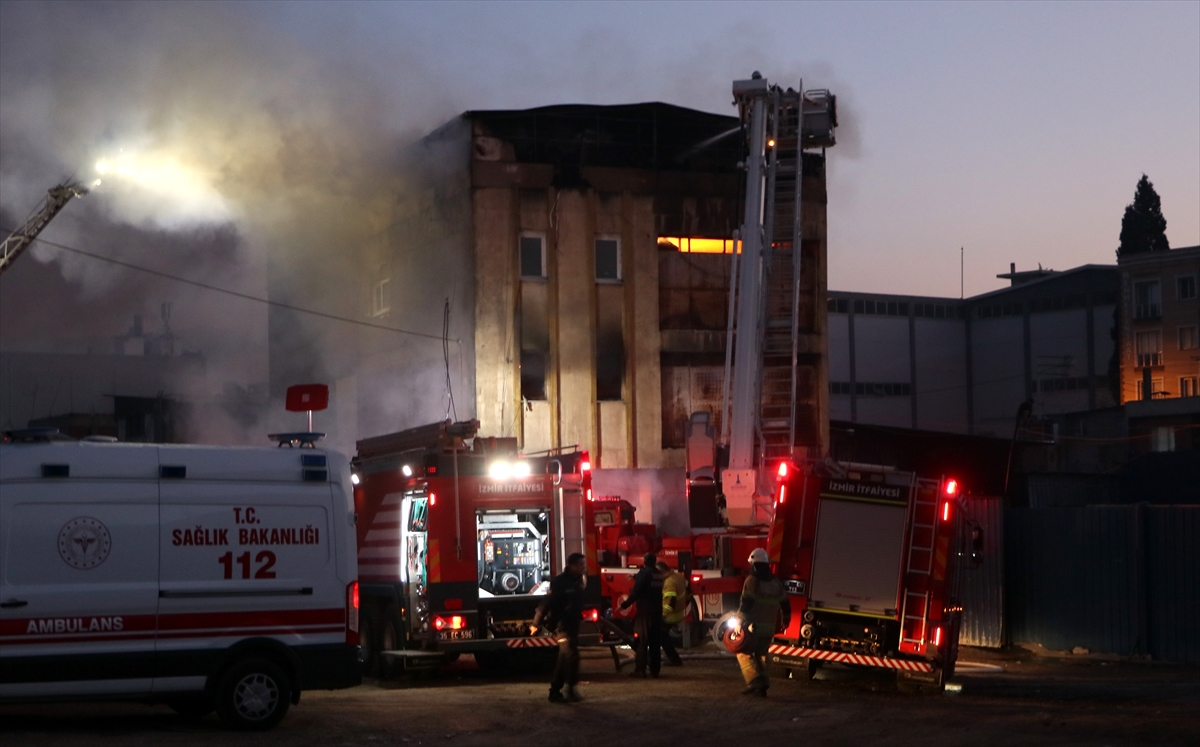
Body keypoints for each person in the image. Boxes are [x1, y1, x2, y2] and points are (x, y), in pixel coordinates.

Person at [533, 552, 586, 703]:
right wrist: (536, 623)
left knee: (564, 658)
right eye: (581, 564)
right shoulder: (560, 582)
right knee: (571, 655)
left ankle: (556, 691)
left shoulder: (578, 581)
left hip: (573, 625)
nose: (584, 567)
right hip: (562, 625)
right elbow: (547, 602)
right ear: (572, 565)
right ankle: (569, 689)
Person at [736, 548, 786, 697]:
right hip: (768, 628)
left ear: (754, 564)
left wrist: (739, 621)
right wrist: (786, 620)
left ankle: (754, 681)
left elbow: (747, 602)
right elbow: (785, 603)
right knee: (759, 655)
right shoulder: (776, 583)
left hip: (754, 627)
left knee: (742, 653)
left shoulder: (752, 581)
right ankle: (762, 686)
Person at [619, 552, 664, 678]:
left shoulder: (644, 574)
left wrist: (624, 605)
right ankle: (655, 670)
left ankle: (640, 670)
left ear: (644, 562)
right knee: (655, 642)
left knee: (641, 641)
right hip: (657, 612)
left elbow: (636, 592)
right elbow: (648, 580)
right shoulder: (658, 574)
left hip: (645, 612)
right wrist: (635, 576)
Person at [656, 560, 689, 667]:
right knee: (663, 636)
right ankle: (674, 659)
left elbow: (670, 600)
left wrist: (663, 615)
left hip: (670, 615)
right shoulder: (678, 577)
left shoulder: (669, 582)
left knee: (661, 636)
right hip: (679, 613)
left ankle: (674, 660)